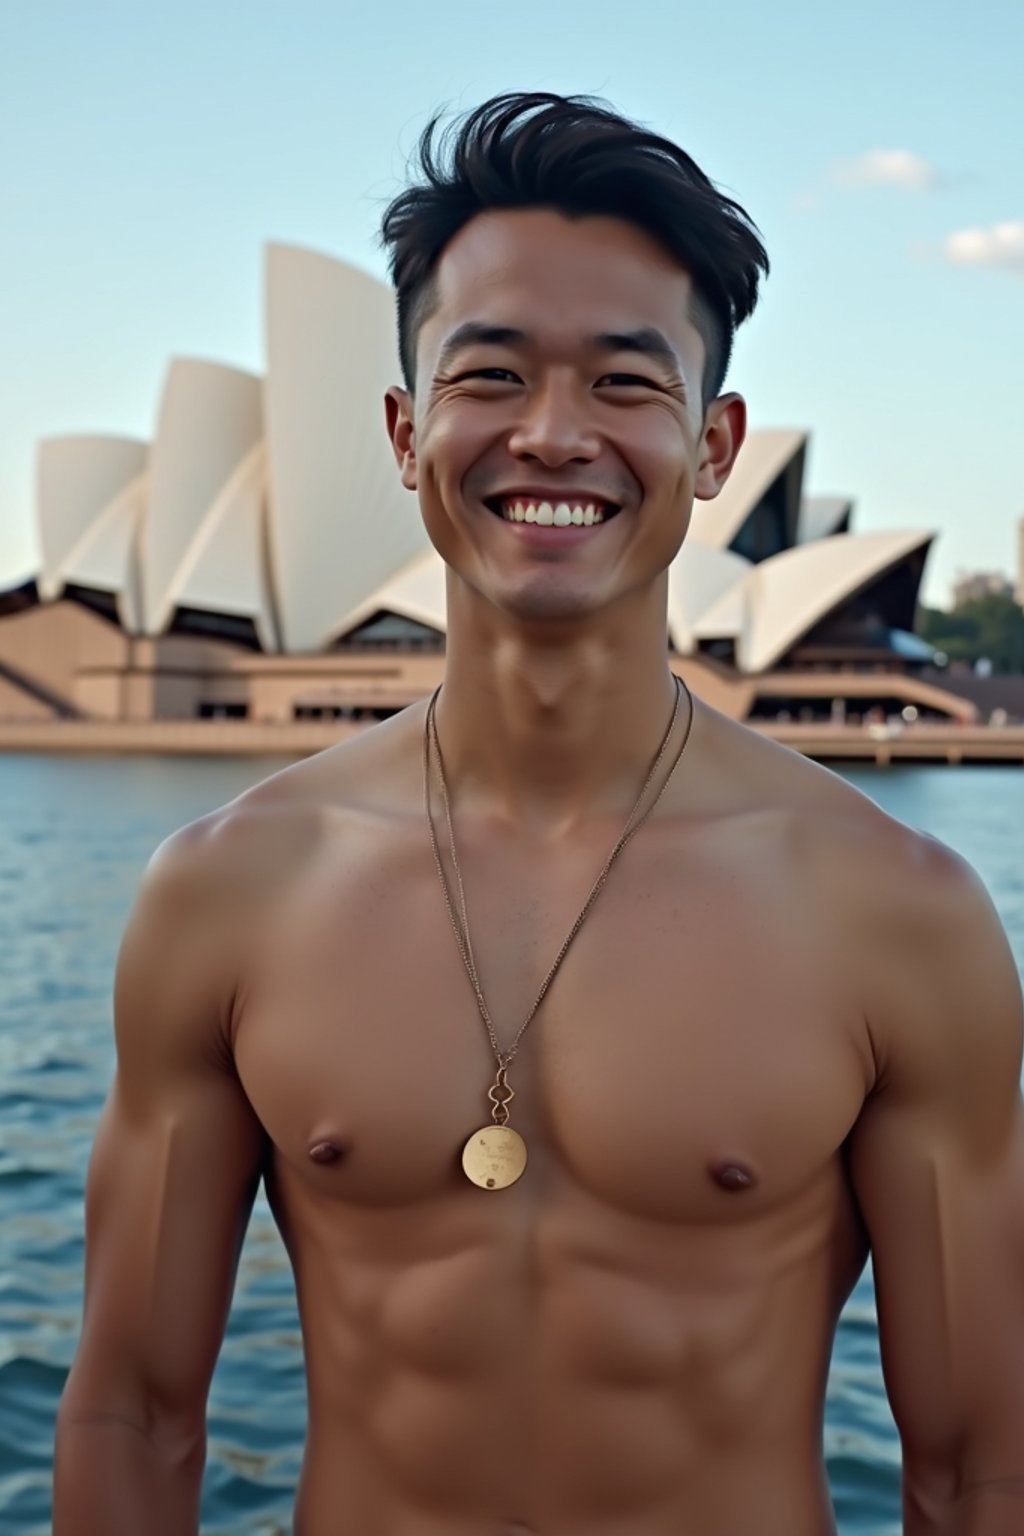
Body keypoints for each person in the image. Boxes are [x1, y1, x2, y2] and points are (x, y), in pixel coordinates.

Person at [53, 93, 1024, 1535]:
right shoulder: (230, 887)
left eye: (628, 383)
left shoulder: (896, 912)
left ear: (714, 443)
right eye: (491, 373)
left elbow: (976, 1466)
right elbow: (134, 1408)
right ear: (402, 428)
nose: (553, 435)